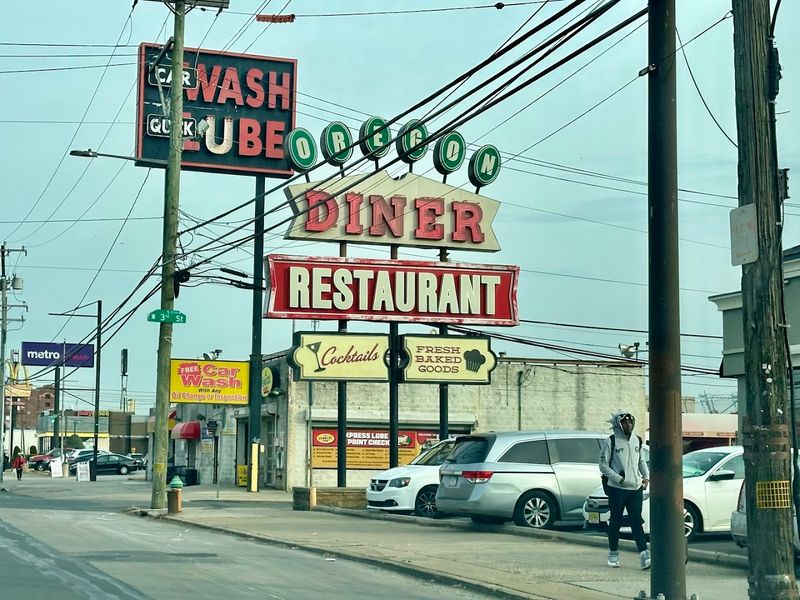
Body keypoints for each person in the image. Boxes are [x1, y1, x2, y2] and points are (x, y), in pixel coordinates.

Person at [599, 410, 650, 570]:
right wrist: (618, 478)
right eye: (624, 422)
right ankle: (613, 554)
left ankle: (644, 554)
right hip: (617, 488)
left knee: (636, 521)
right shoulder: (611, 441)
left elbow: (641, 460)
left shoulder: (638, 440)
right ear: (618, 424)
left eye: (630, 422)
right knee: (616, 521)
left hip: (635, 488)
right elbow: (603, 465)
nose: (628, 424)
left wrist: (646, 476)